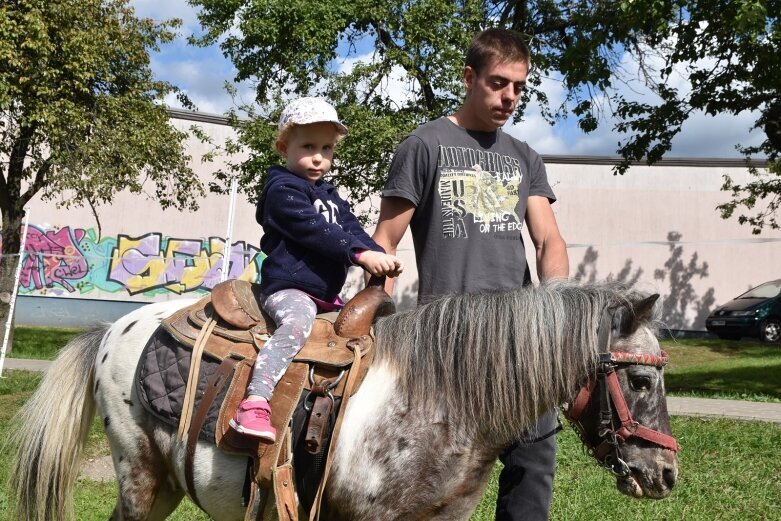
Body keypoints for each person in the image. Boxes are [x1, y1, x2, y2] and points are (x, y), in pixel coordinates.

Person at [372, 29, 569, 520]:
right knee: (436, 468)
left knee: (534, 456)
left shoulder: (524, 156)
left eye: (519, 87)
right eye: (499, 83)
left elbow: (548, 240)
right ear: (469, 77)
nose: (510, 97)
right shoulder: (424, 145)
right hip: (447, 340)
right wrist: (374, 321)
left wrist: (558, 312)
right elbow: (385, 242)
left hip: (519, 337)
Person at [230, 97, 404, 442]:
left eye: (326, 148)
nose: (318, 157)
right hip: (289, 289)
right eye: (308, 146)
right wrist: (359, 255)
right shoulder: (282, 191)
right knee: (295, 326)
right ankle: (256, 400)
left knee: (359, 339)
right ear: (284, 147)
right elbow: (314, 229)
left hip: (326, 295)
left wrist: (375, 250)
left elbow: (350, 227)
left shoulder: (330, 194)